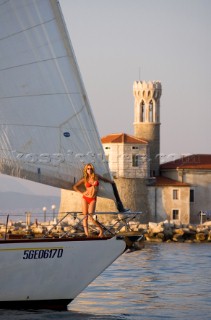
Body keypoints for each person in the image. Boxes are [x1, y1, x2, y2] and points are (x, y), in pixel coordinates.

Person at [73, 163, 114, 237]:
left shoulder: (96, 176)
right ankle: (87, 234)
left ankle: (101, 230)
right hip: (85, 198)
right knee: (85, 217)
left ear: (92, 169)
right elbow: (75, 187)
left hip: (93, 198)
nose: (89, 170)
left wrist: (111, 181)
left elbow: (104, 179)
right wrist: (83, 193)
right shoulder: (84, 179)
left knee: (91, 217)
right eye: (88, 169)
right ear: (86, 170)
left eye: (91, 168)